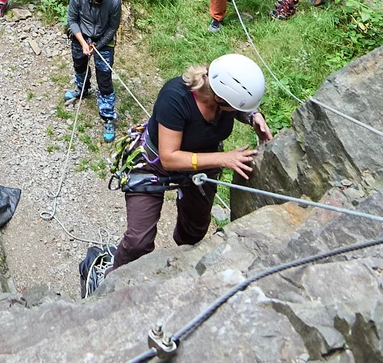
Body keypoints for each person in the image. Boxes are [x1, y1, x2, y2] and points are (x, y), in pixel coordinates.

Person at [112, 54, 272, 269]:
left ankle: (179, 266)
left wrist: (253, 116)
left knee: (195, 232)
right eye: (235, 107)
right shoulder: (175, 98)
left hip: (202, 164)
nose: (236, 111)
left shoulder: (222, 97)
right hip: (155, 164)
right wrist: (223, 159)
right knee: (137, 242)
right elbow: (169, 158)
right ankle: (113, 279)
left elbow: (238, 105)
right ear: (220, 98)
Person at [65, 0, 122, 141]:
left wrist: (98, 45)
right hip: (81, 37)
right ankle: (82, 88)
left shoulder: (114, 1)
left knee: (104, 78)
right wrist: (83, 43)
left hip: (103, 41)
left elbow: (113, 27)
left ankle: (107, 116)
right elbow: (72, 20)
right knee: (79, 65)